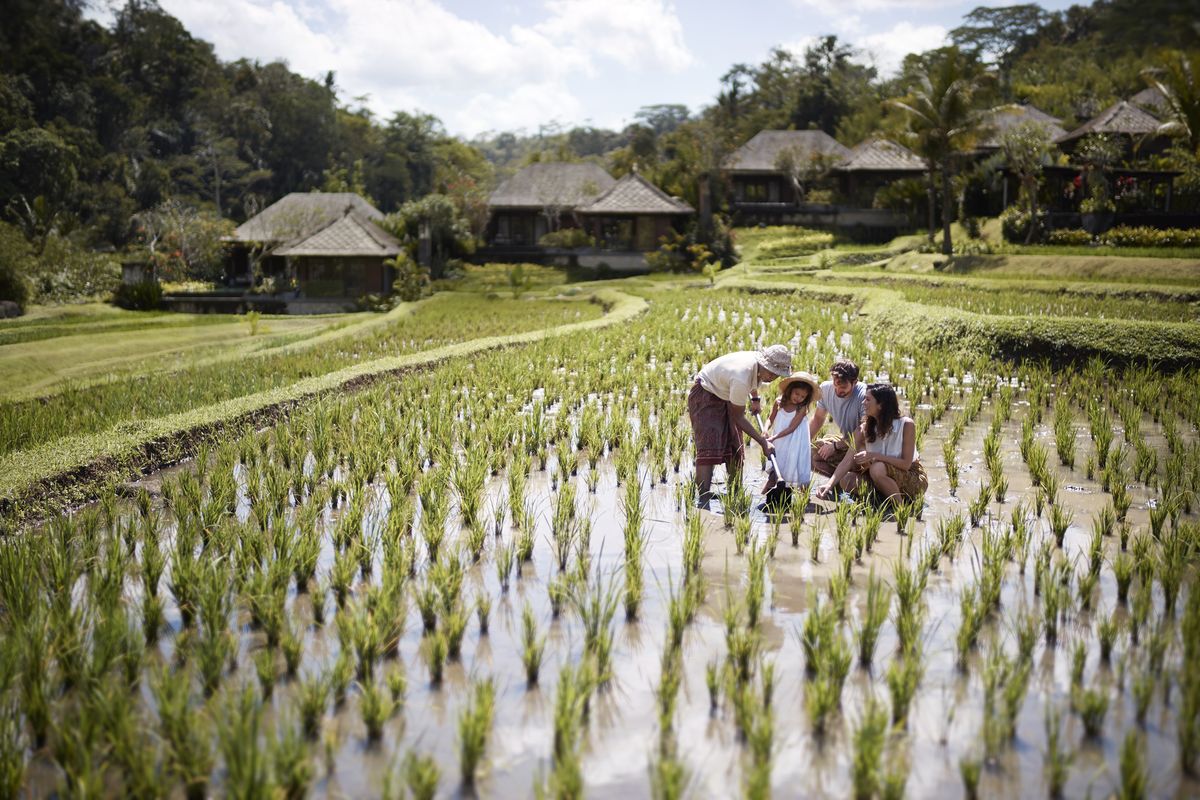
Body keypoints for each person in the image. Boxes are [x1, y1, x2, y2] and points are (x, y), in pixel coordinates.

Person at [688, 345, 792, 509]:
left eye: (776, 375)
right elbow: (738, 416)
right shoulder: (741, 375)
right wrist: (763, 442)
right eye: (771, 372)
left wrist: (755, 399)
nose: (772, 378)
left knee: (735, 444)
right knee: (708, 446)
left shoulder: (756, 368)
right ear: (763, 363)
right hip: (706, 393)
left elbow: (753, 380)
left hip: (727, 392)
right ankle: (703, 497)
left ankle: (735, 492)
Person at [816, 383, 928, 504]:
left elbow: (906, 464)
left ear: (881, 405)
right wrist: (828, 485)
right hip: (878, 477)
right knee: (846, 480)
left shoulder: (906, 425)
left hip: (911, 477)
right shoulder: (863, 429)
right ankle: (882, 498)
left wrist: (874, 456)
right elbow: (846, 462)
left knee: (877, 468)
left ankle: (899, 506)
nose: (863, 402)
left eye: (868, 399)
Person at [809, 359, 867, 481]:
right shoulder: (825, 389)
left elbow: (863, 433)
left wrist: (835, 446)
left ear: (855, 382)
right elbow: (818, 419)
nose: (838, 390)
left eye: (843, 387)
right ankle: (837, 483)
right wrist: (802, 443)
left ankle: (860, 483)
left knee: (858, 462)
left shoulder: (864, 395)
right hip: (845, 441)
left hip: (864, 446)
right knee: (810, 454)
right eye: (835, 385)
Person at [762, 372, 820, 493]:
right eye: (797, 393)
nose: (798, 398)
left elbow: (792, 428)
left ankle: (804, 498)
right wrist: (765, 429)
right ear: (790, 390)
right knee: (777, 466)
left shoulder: (801, 408)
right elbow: (770, 418)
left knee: (797, 466)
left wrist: (773, 438)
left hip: (796, 442)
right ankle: (765, 494)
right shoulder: (779, 402)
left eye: (803, 397)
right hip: (780, 440)